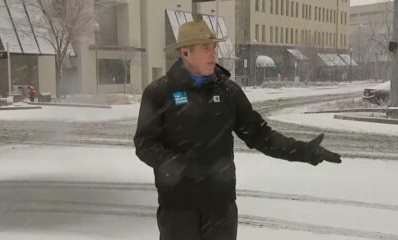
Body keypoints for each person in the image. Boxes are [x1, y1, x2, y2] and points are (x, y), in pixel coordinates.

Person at [134, 20, 341, 240]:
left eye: (214, 47)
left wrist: (303, 151)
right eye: (206, 47)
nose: (213, 53)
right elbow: (145, 143)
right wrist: (175, 166)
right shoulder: (159, 92)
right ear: (186, 52)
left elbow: (260, 134)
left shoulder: (228, 92)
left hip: (221, 208)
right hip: (179, 210)